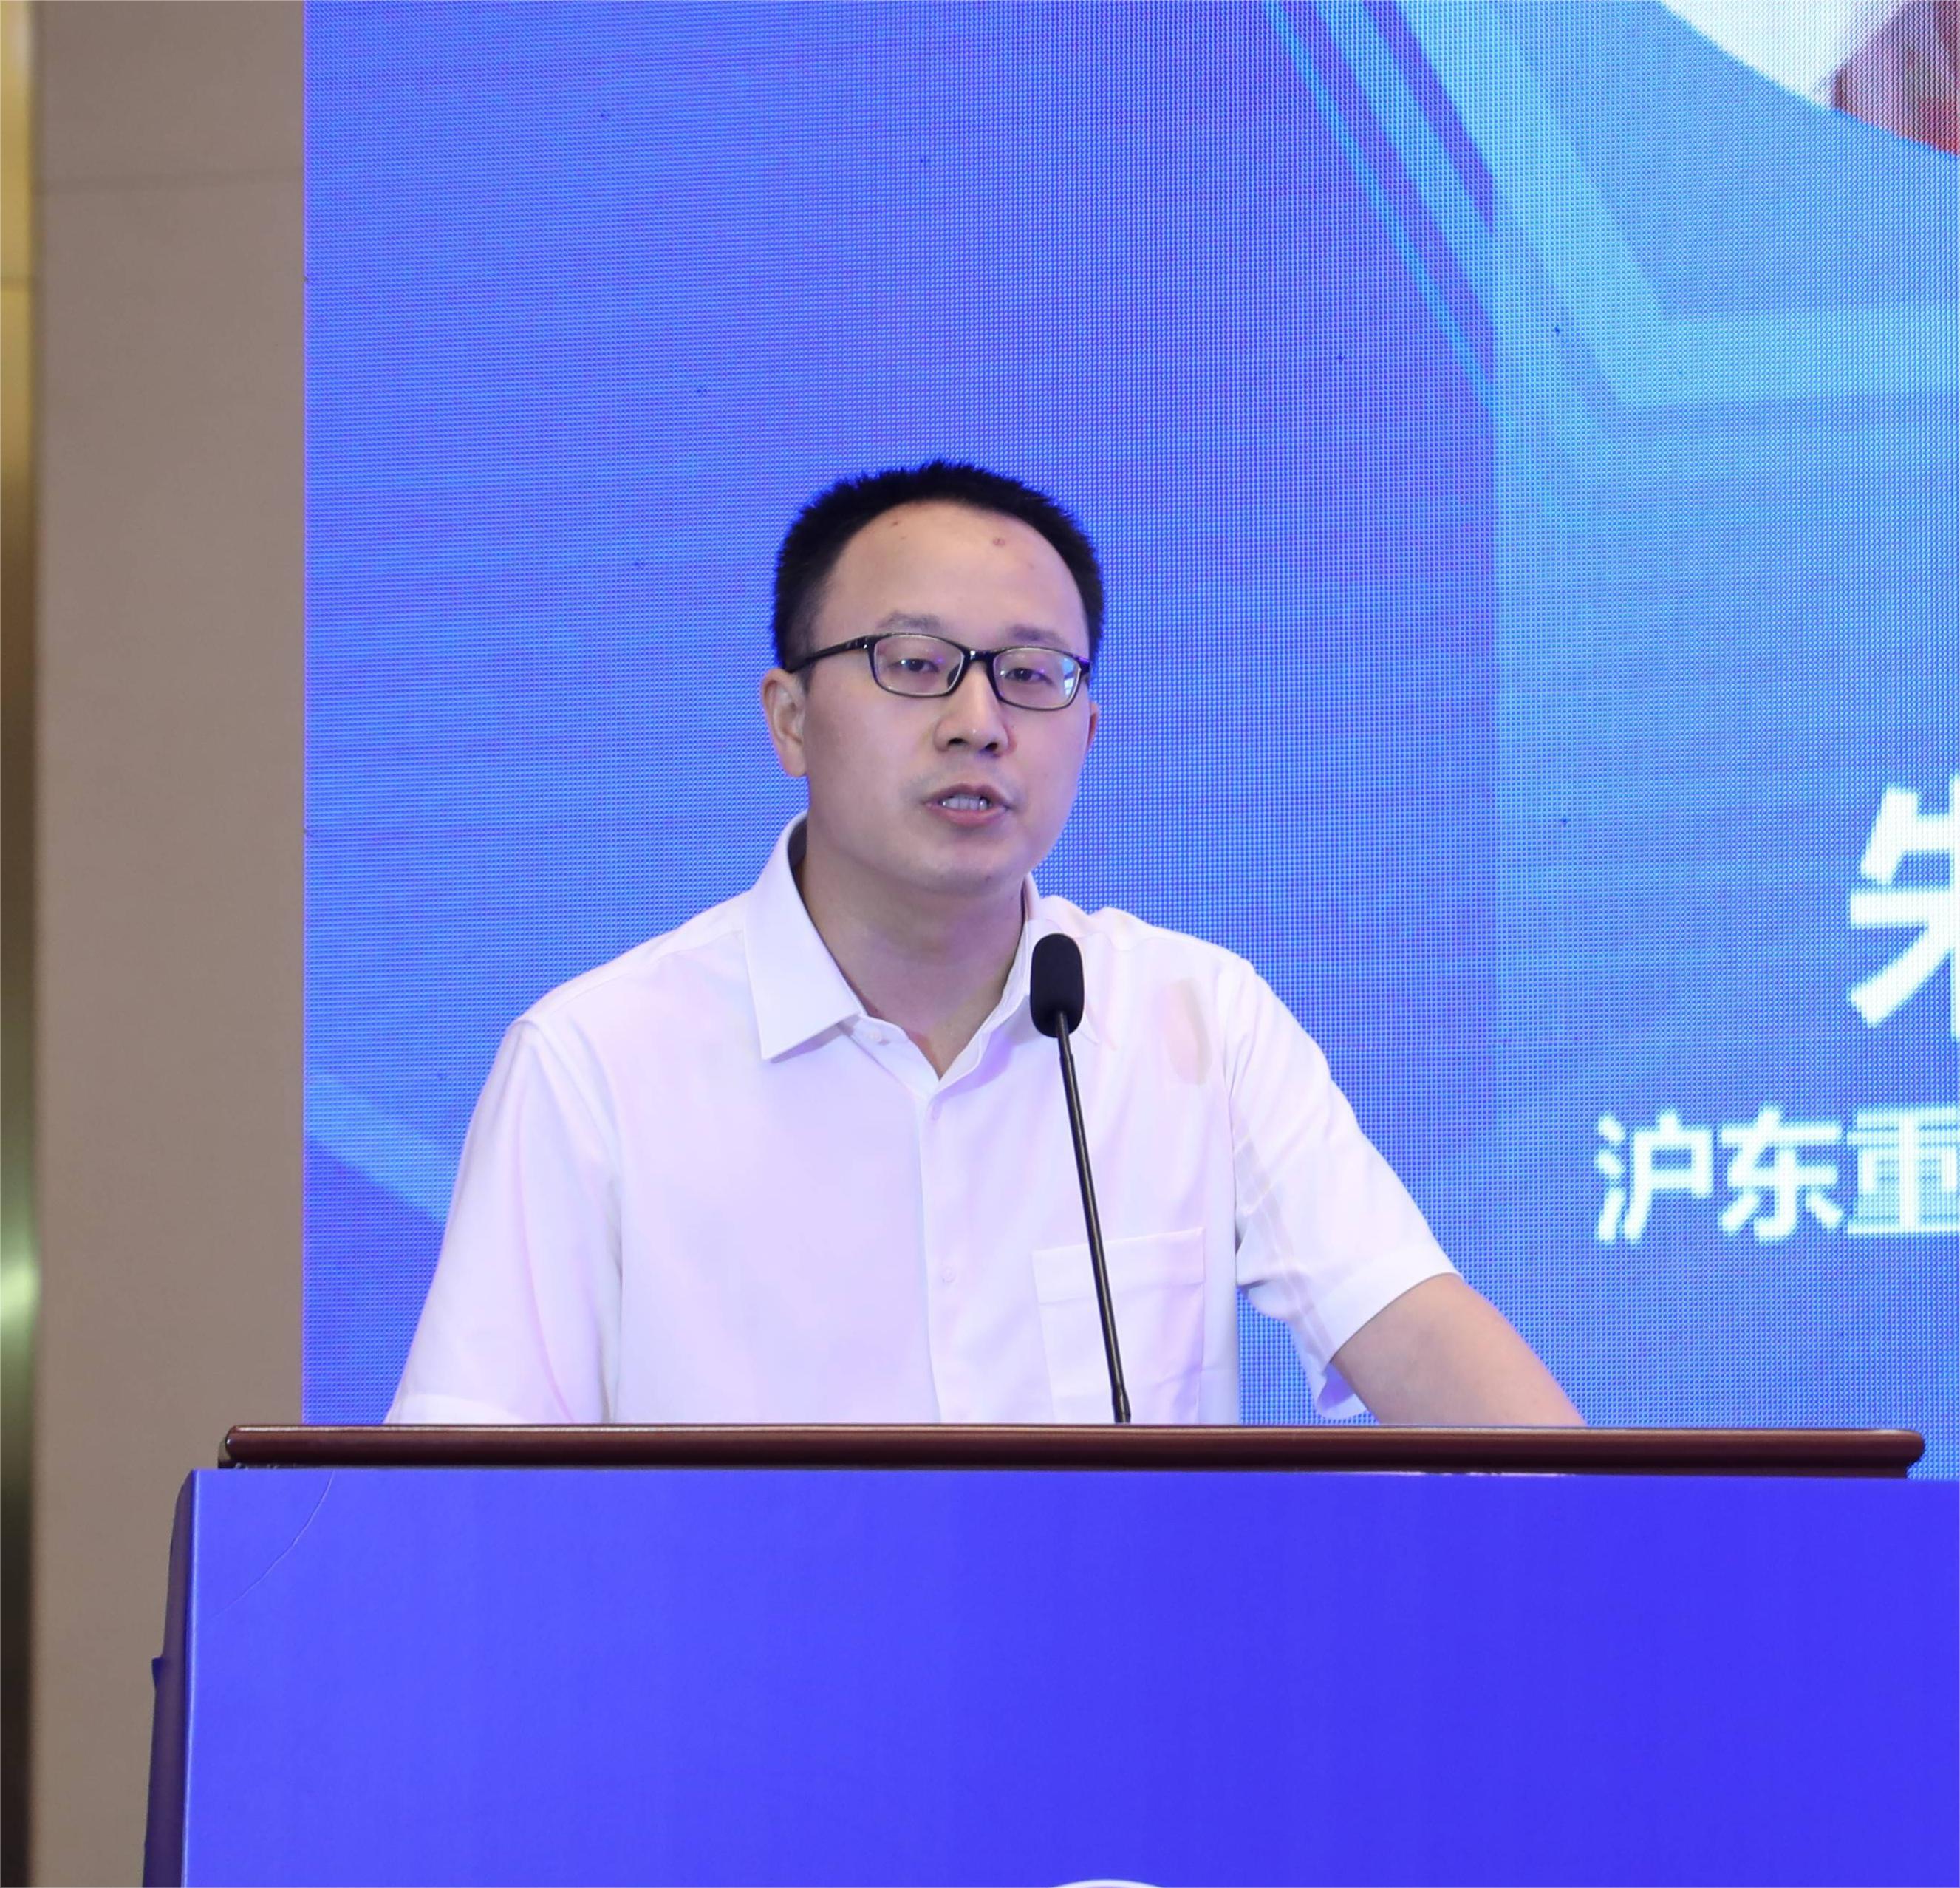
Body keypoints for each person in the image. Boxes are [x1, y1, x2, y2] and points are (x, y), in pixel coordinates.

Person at [389, 461, 1581, 1427]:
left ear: (1086, 733)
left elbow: (1415, 1333)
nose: (978, 723)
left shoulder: (1192, 1019)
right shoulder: (596, 1062)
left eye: (1029, 675)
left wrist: (1613, 1544)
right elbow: (461, 1499)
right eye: (914, 666)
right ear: (790, 720)